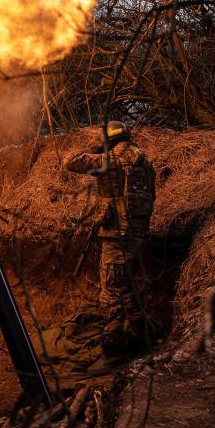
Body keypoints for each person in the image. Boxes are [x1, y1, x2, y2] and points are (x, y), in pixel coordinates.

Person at [63, 121, 156, 356]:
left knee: (112, 288)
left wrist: (95, 147)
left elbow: (70, 161)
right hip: (138, 231)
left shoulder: (110, 159)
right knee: (129, 285)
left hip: (117, 235)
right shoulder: (142, 159)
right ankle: (140, 333)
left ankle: (114, 339)